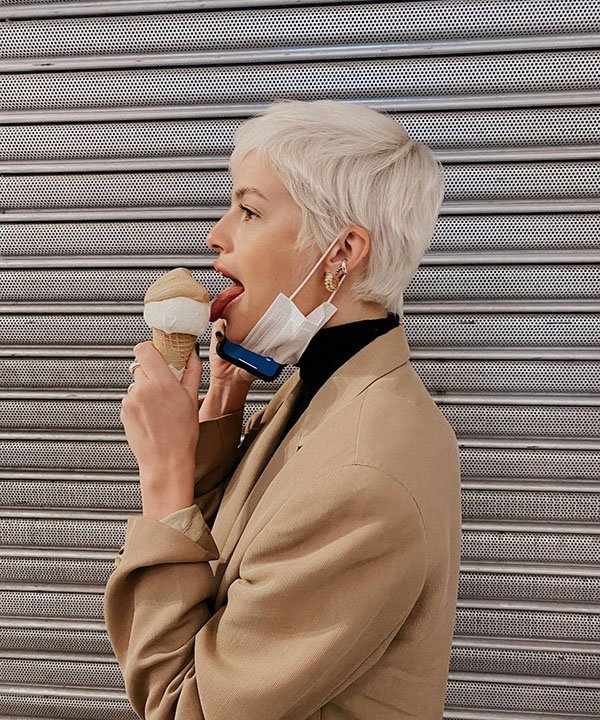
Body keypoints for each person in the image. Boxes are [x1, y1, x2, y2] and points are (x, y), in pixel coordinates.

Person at [103, 99, 461, 719]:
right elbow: (233, 554)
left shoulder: (361, 477)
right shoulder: (320, 389)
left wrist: (161, 472)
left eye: (248, 209)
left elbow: (187, 706)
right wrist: (223, 398)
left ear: (342, 252)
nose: (216, 234)